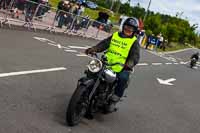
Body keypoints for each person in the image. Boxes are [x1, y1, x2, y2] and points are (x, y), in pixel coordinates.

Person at [85, 17, 140, 112]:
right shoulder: (115, 35)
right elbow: (104, 44)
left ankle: (114, 99)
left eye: (131, 28)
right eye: (127, 26)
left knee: (123, 78)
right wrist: (93, 49)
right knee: (92, 70)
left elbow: (135, 56)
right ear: (123, 26)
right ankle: (86, 88)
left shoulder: (134, 42)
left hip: (121, 66)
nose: (128, 29)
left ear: (134, 30)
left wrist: (129, 64)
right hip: (105, 62)